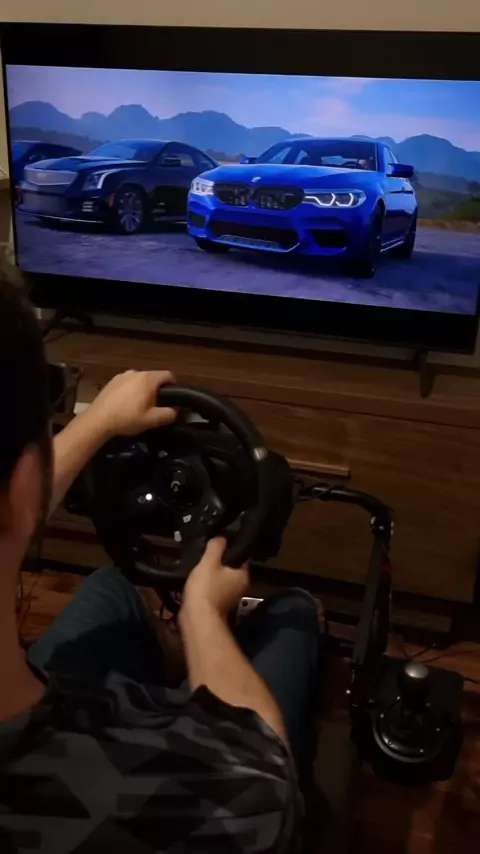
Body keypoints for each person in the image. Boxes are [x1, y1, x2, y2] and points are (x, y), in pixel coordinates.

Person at [0, 267, 323, 853]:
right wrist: (203, 615)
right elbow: (262, 765)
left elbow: (16, 497)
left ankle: (172, 653)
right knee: (292, 618)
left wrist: (97, 423)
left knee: (112, 588)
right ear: (22, 486)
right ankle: (198, 646)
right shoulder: (225, 799)